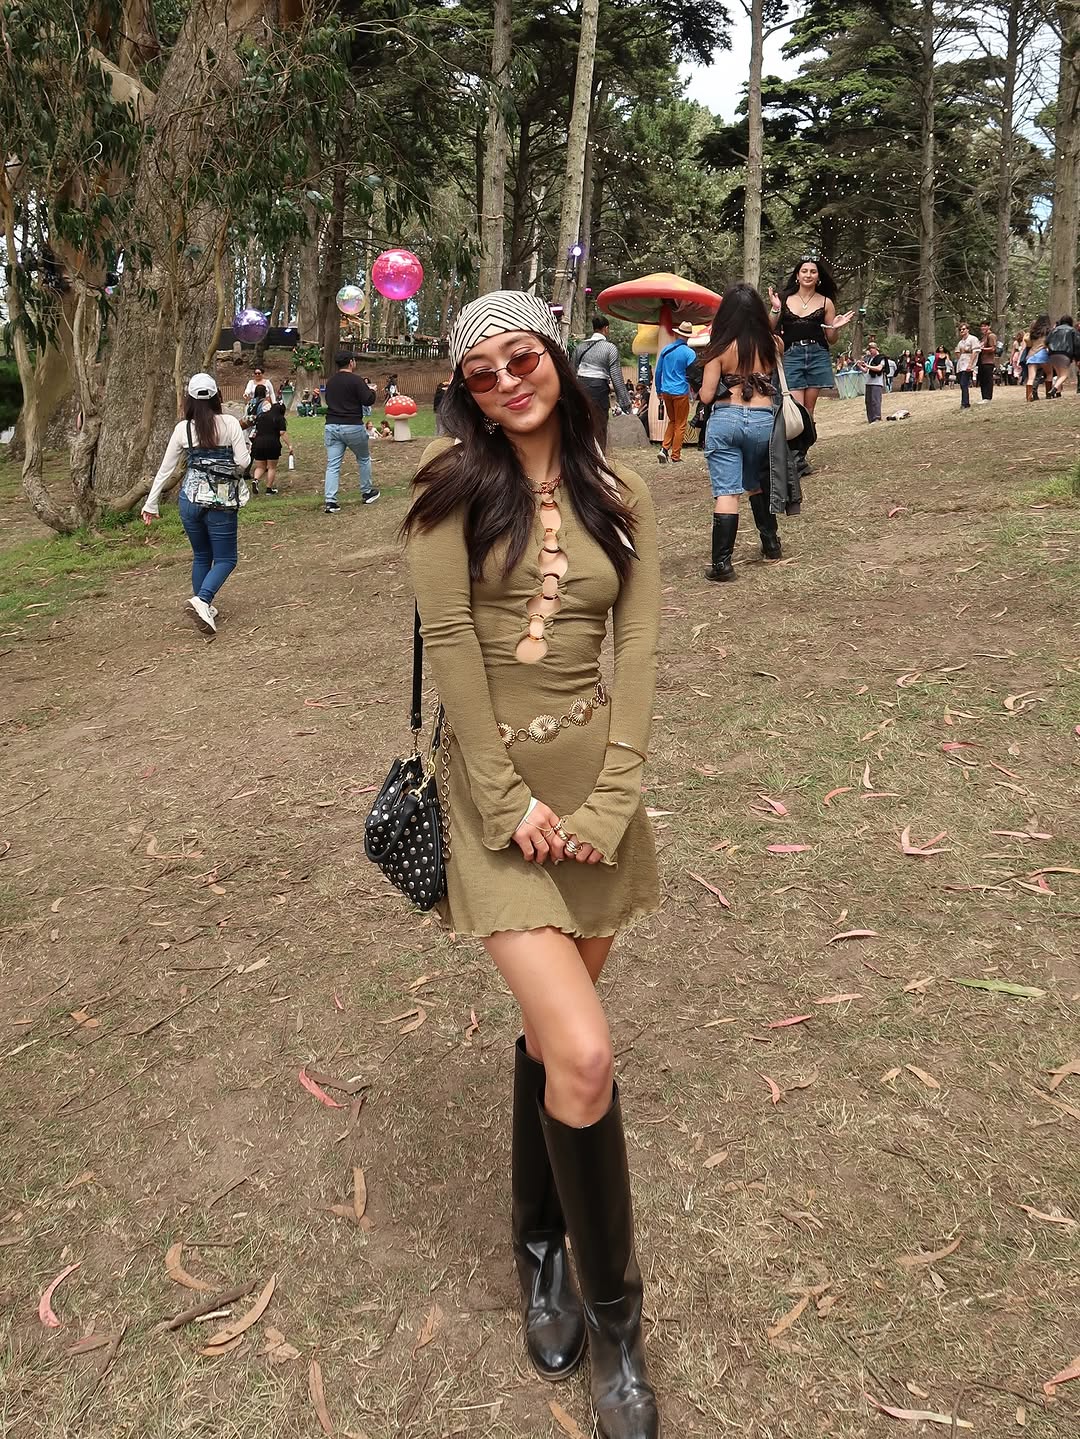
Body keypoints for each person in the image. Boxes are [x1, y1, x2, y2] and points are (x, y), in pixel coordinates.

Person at [401, 289, 661, 1439]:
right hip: (493, 804)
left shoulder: (622, 492)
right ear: (465, 390)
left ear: (554, 354)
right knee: (587, 1050)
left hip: (596, 799)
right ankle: (619, 1334)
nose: (509, 382)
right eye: (484, 371)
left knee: (556, 1042)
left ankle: (543, 1243)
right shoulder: (448, 487)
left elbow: (637, 646)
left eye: (523, 358)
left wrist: (614, 796)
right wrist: (509, 804)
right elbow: (453, 643)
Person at [141, 373, 250, 633]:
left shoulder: (183, 429)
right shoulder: (230, 423)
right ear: (217, 397)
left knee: (201, 555)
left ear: (188, 399)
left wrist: (151, 503)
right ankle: (202, 599)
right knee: (226, 558)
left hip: (189, 500)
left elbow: (165, 469)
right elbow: (243, 462)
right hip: (221, 501)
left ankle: (204, 607)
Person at [697, 282, 784, 582]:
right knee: (756, 482)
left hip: (727, 420)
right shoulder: (772, 345)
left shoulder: (718, 349)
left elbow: (707, 395)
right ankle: (771, 544)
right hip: (763, 421)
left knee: (727, 492)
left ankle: (722, 564)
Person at [768, 255, 855, 423]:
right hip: (791, 355)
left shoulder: (826, 302)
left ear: (818, 277)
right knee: (796, 408)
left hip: (817, 355)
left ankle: (807, 440)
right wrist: (775, 308)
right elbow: (769, 328)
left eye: (813, 272)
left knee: (809, 410)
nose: (808, 275)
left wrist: (835, 327)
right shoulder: (784, 299)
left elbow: (831, 339)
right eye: (804, 271)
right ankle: (796, 439)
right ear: (797, 275)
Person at [323, 352, 380, 514]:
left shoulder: (331, 381)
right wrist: (372, 391)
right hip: (352, 425)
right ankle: (367, 492)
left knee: (333, 465)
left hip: (332, 425)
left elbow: (328, 400)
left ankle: (330, 501)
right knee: (363, 458)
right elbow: (368, 400)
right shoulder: (356, 380)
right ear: (351, 362)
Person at [571, 313, 632, 451]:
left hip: (580, 387)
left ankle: (582, 456)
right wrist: (625, 403)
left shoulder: (580, 347)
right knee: (599, 427)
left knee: (582, 425)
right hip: (598, 389)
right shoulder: (610, 348)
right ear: (606, 328)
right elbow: (616, 377)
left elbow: (571, 371)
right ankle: (599, 457)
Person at [654, 320, 697, 464]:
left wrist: (658, 390)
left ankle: (664, 449)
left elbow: (658, 371)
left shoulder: (666, 350)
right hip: (680, 392)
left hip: (666, 391)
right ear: (688, 337)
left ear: (677, 334)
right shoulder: (690, 353)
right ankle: (675, 456)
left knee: (672, 421)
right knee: (680, 424)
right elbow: (694, 375)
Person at [248, 386, 292, 494]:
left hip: (258, 443)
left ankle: (255, 480)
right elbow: (282, 433)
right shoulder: (279, 418)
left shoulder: (262, 416)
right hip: (272, 444)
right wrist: (290, 445)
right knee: (271, 467)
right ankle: (269, 489)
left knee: (260, 466)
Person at [1046, 314, 1079, 396]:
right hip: (1065, 354)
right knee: (1064, 375)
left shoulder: (1054, 330)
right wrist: (1077, 358)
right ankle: (1054, 388)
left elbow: (1047, 341)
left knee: (1059, 374)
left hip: (1053, 354)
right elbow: (1077, 344)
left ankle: (1058, 392)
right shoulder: (1072, 330)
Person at [858, 340, 887, 422]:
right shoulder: (870, 359)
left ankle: (877, 417)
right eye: (869, 349)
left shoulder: (881, 358)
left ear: (875, 349)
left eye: (871, 349)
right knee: (868, 401)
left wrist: (868, 366)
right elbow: (865, 370)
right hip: (868, 382)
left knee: (875, 401)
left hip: (877, 383)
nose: (870, 351)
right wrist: (860, 366)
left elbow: (879, 368)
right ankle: (870, 419)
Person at [954, 323, 980, 409]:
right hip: (961, 364)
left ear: (968, 330)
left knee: (964, 383)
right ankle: (965, 402)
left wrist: (970, 364)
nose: (962, 331)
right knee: (962, 384)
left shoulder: (973, 339)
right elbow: (957, 352)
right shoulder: (961, 342)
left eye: (963, 329)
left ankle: (965, 403)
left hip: (968, 363)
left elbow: (975, 352)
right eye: (960, 329)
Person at [976, 321, 997, 403]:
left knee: (987, 379)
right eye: (981, 326)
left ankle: (988, 397)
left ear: (989, 326)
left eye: (984, 326)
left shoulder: (991, 336)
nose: (982, 328)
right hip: (982, 361)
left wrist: (982, 349)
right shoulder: (984, 337)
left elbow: (993, 348)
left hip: (988, 361)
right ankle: (984, 397)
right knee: (982, 380)